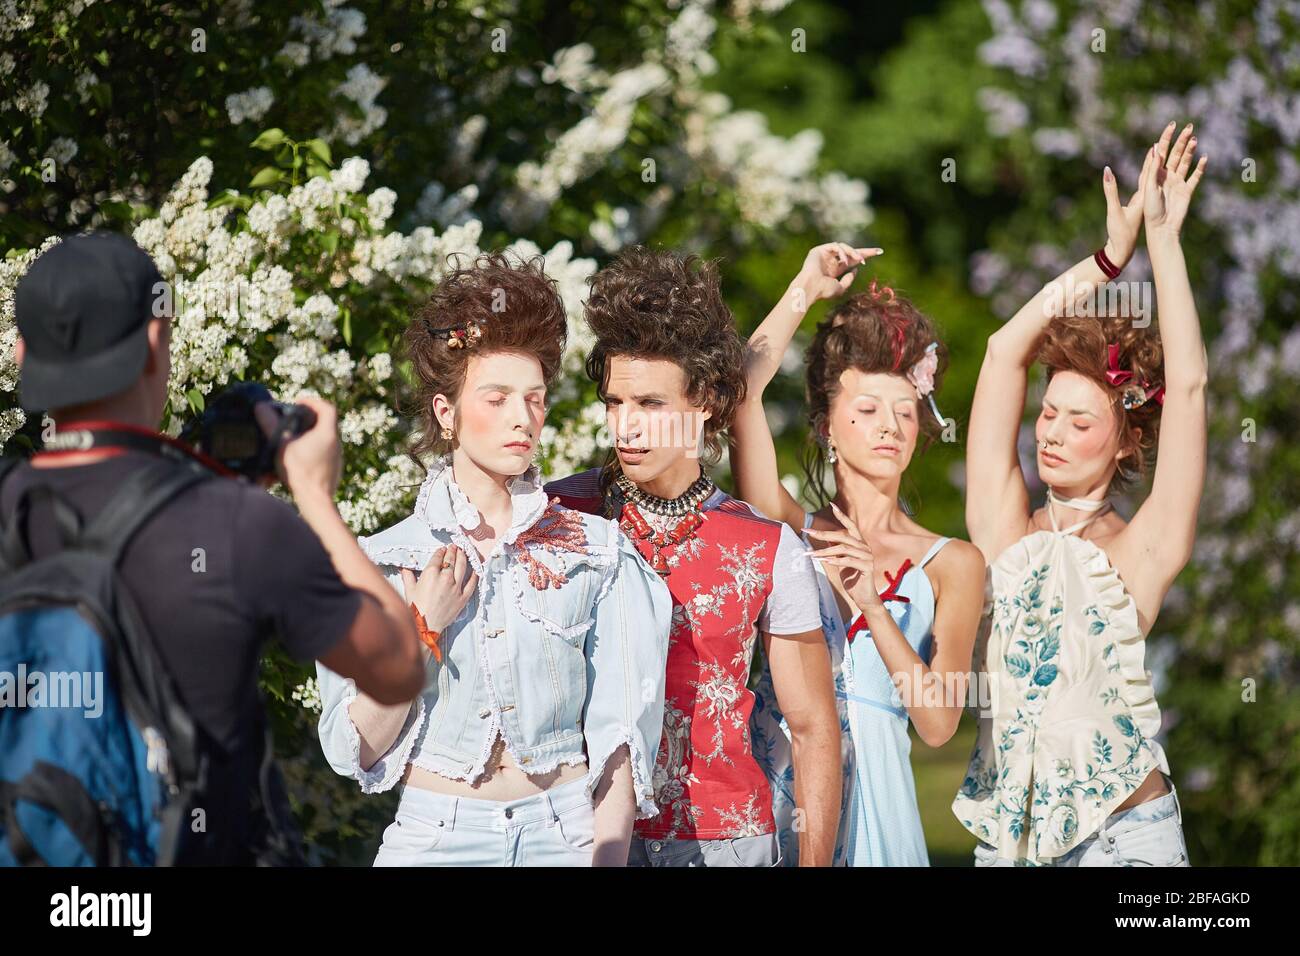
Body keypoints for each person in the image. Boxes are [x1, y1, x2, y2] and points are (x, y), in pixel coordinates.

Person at [1, 231, 424, 864]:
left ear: (21, 352)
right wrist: (313, 495)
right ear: (154, 345)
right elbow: (397, 667)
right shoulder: (236, 525)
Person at [316, 252, 672, 866]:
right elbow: (354, 751)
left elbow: (618, 740)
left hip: (565, 833)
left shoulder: (599, 551)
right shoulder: (383, 561)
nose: (521, 418)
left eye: (534, 399)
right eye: (497, 397)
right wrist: (419, 630)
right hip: (435, 834)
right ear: (445, 413)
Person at [953, 123, 1208, 866]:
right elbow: (1005, 351)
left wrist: (1162, 240)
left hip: (1128, 841)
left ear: (1127, 440)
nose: (1052, 433)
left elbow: (1187, 389)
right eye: (1048, 413)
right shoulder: (1002, 527)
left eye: (1080, 419)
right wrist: (1107, 261)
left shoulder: (1142, 547)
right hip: (1013, 842)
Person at [546, 246, 842, 867]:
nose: (625, 427)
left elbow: (813, 727)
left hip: (725, 839)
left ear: (703, 401)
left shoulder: (765, 547)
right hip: (576, 833)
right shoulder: (559, 515)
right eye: (614, 403)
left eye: (650, 404)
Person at [734, 243, 986, 866]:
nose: (889, 427)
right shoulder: (789, 527)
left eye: (905, 411)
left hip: (880, 799)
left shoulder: (955, 563)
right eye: (868, 409)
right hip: (780, 780)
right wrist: (804, 285)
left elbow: (936, 725)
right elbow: (740, 393)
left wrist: (874, 606)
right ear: (825, 425)